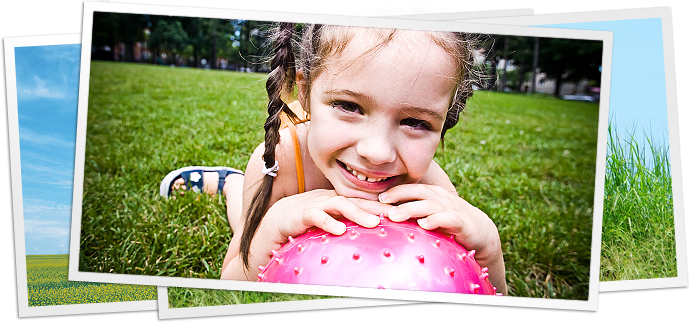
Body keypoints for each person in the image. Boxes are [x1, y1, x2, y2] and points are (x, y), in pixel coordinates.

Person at [160, 7, 507, 295]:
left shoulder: (429, 187)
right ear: (306, 90)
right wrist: (271, 228)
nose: (377, 152)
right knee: (244, 219)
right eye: (348, 106)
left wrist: (491, 252)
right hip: (283, 180)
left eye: (416, 123)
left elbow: (476, 293)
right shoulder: (281, 161)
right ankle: (232, 185)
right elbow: (230, 284)